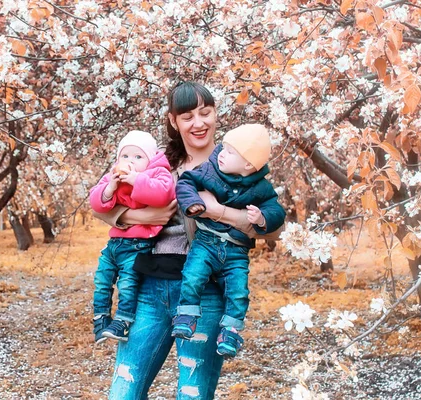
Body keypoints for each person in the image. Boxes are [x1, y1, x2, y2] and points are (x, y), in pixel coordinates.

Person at [94, 82, 283, 399]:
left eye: (205, 113)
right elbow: (103, 202)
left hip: (204, 294)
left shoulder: (237, 164)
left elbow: (272, 228)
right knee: (123, 392)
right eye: (187, 116)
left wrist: (219, 211)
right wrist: (140, 218)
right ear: (173, 121)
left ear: (215, 114)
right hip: (149, 291)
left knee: (192, 394)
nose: (198, 123)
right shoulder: (157, 161)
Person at [171, 124, 286, 359]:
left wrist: (262, 218)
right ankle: (186, 315)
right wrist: (192, 202)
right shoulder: (210, 170)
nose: (222, 153)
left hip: (236, 250)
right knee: (192, 275)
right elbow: (185, 182)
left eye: (230, 152)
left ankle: (231, 331)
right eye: (224, 147)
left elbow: (277, 211)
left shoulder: (261, 188)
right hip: (206, 240)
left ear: (248, 165)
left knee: (238, 291)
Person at [90, 130, 175, 344]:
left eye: (138, 157)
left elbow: (163, 194)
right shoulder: (114, 177)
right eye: (125, 156)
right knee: (102, 279)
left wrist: (137, 179)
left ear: (150, 159)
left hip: (138, 245)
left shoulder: (158, 173)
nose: (131, 162)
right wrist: (110, 187)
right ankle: (101, 319)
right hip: (114, 243)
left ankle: (123, 321)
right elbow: (96, 203)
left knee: (128, 283)